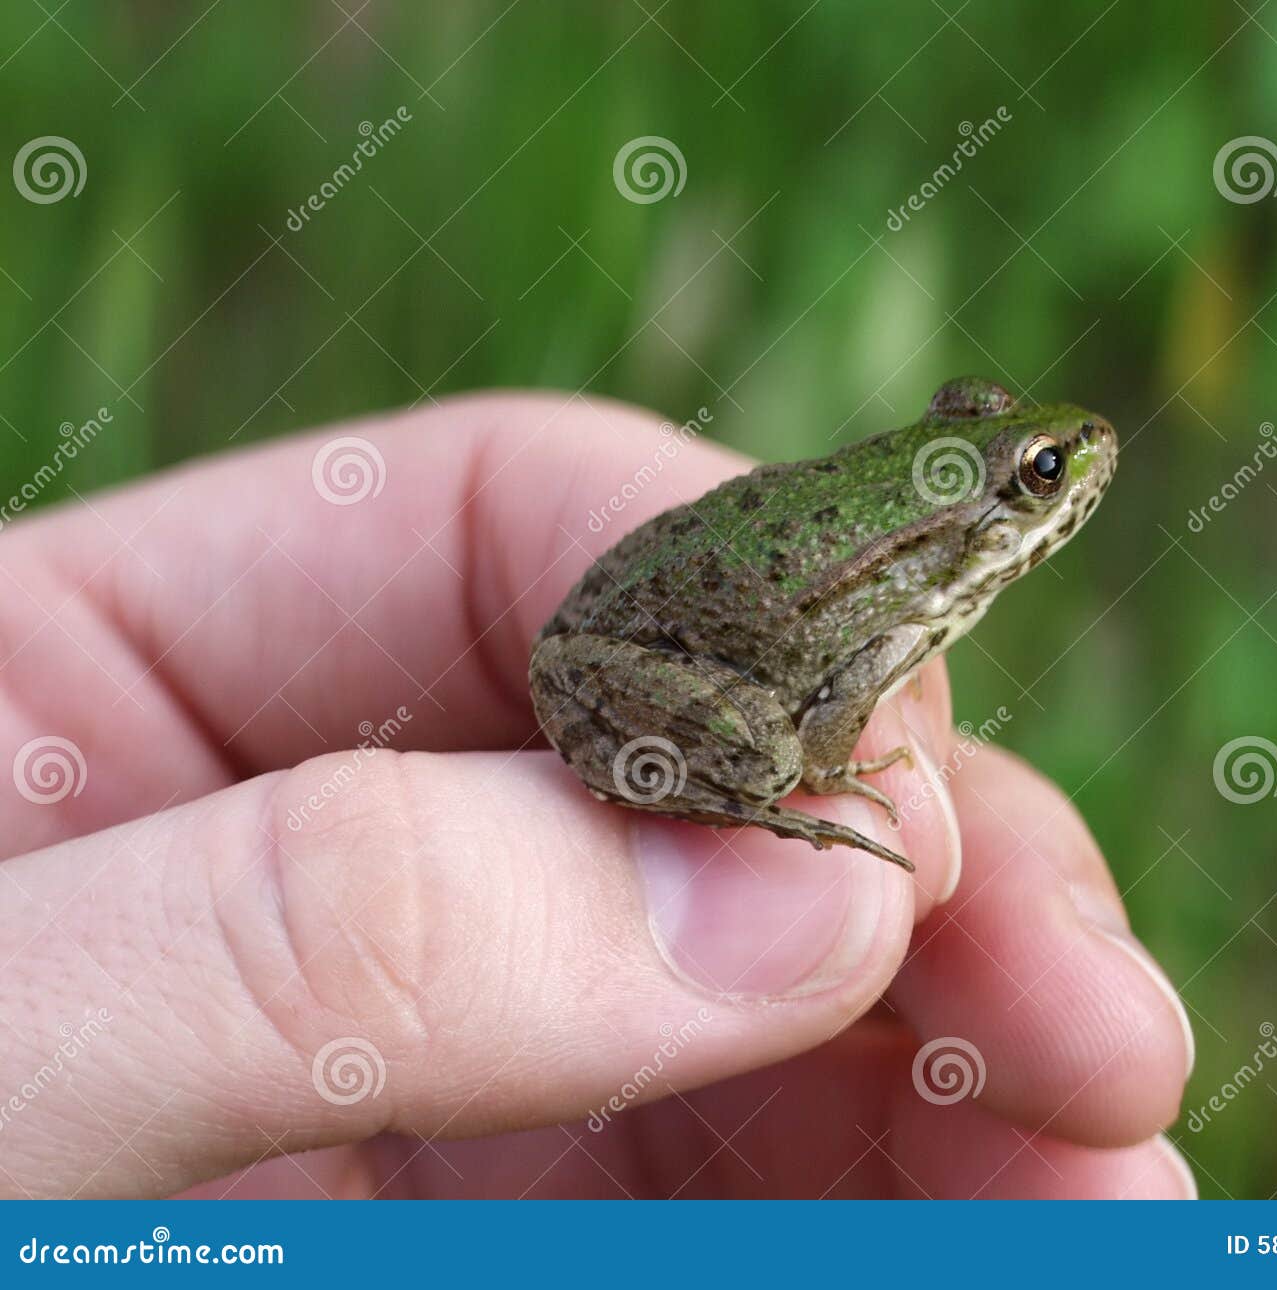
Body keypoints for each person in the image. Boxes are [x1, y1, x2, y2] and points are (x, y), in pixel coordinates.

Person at [0, 393, 1195, 1199]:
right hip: (679, 653)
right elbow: (835, 713)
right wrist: (821, 772)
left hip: (639, 602)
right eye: (1039, 475)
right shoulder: (924, 586)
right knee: (786, 757)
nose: (1070, 468)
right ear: (973, 516)